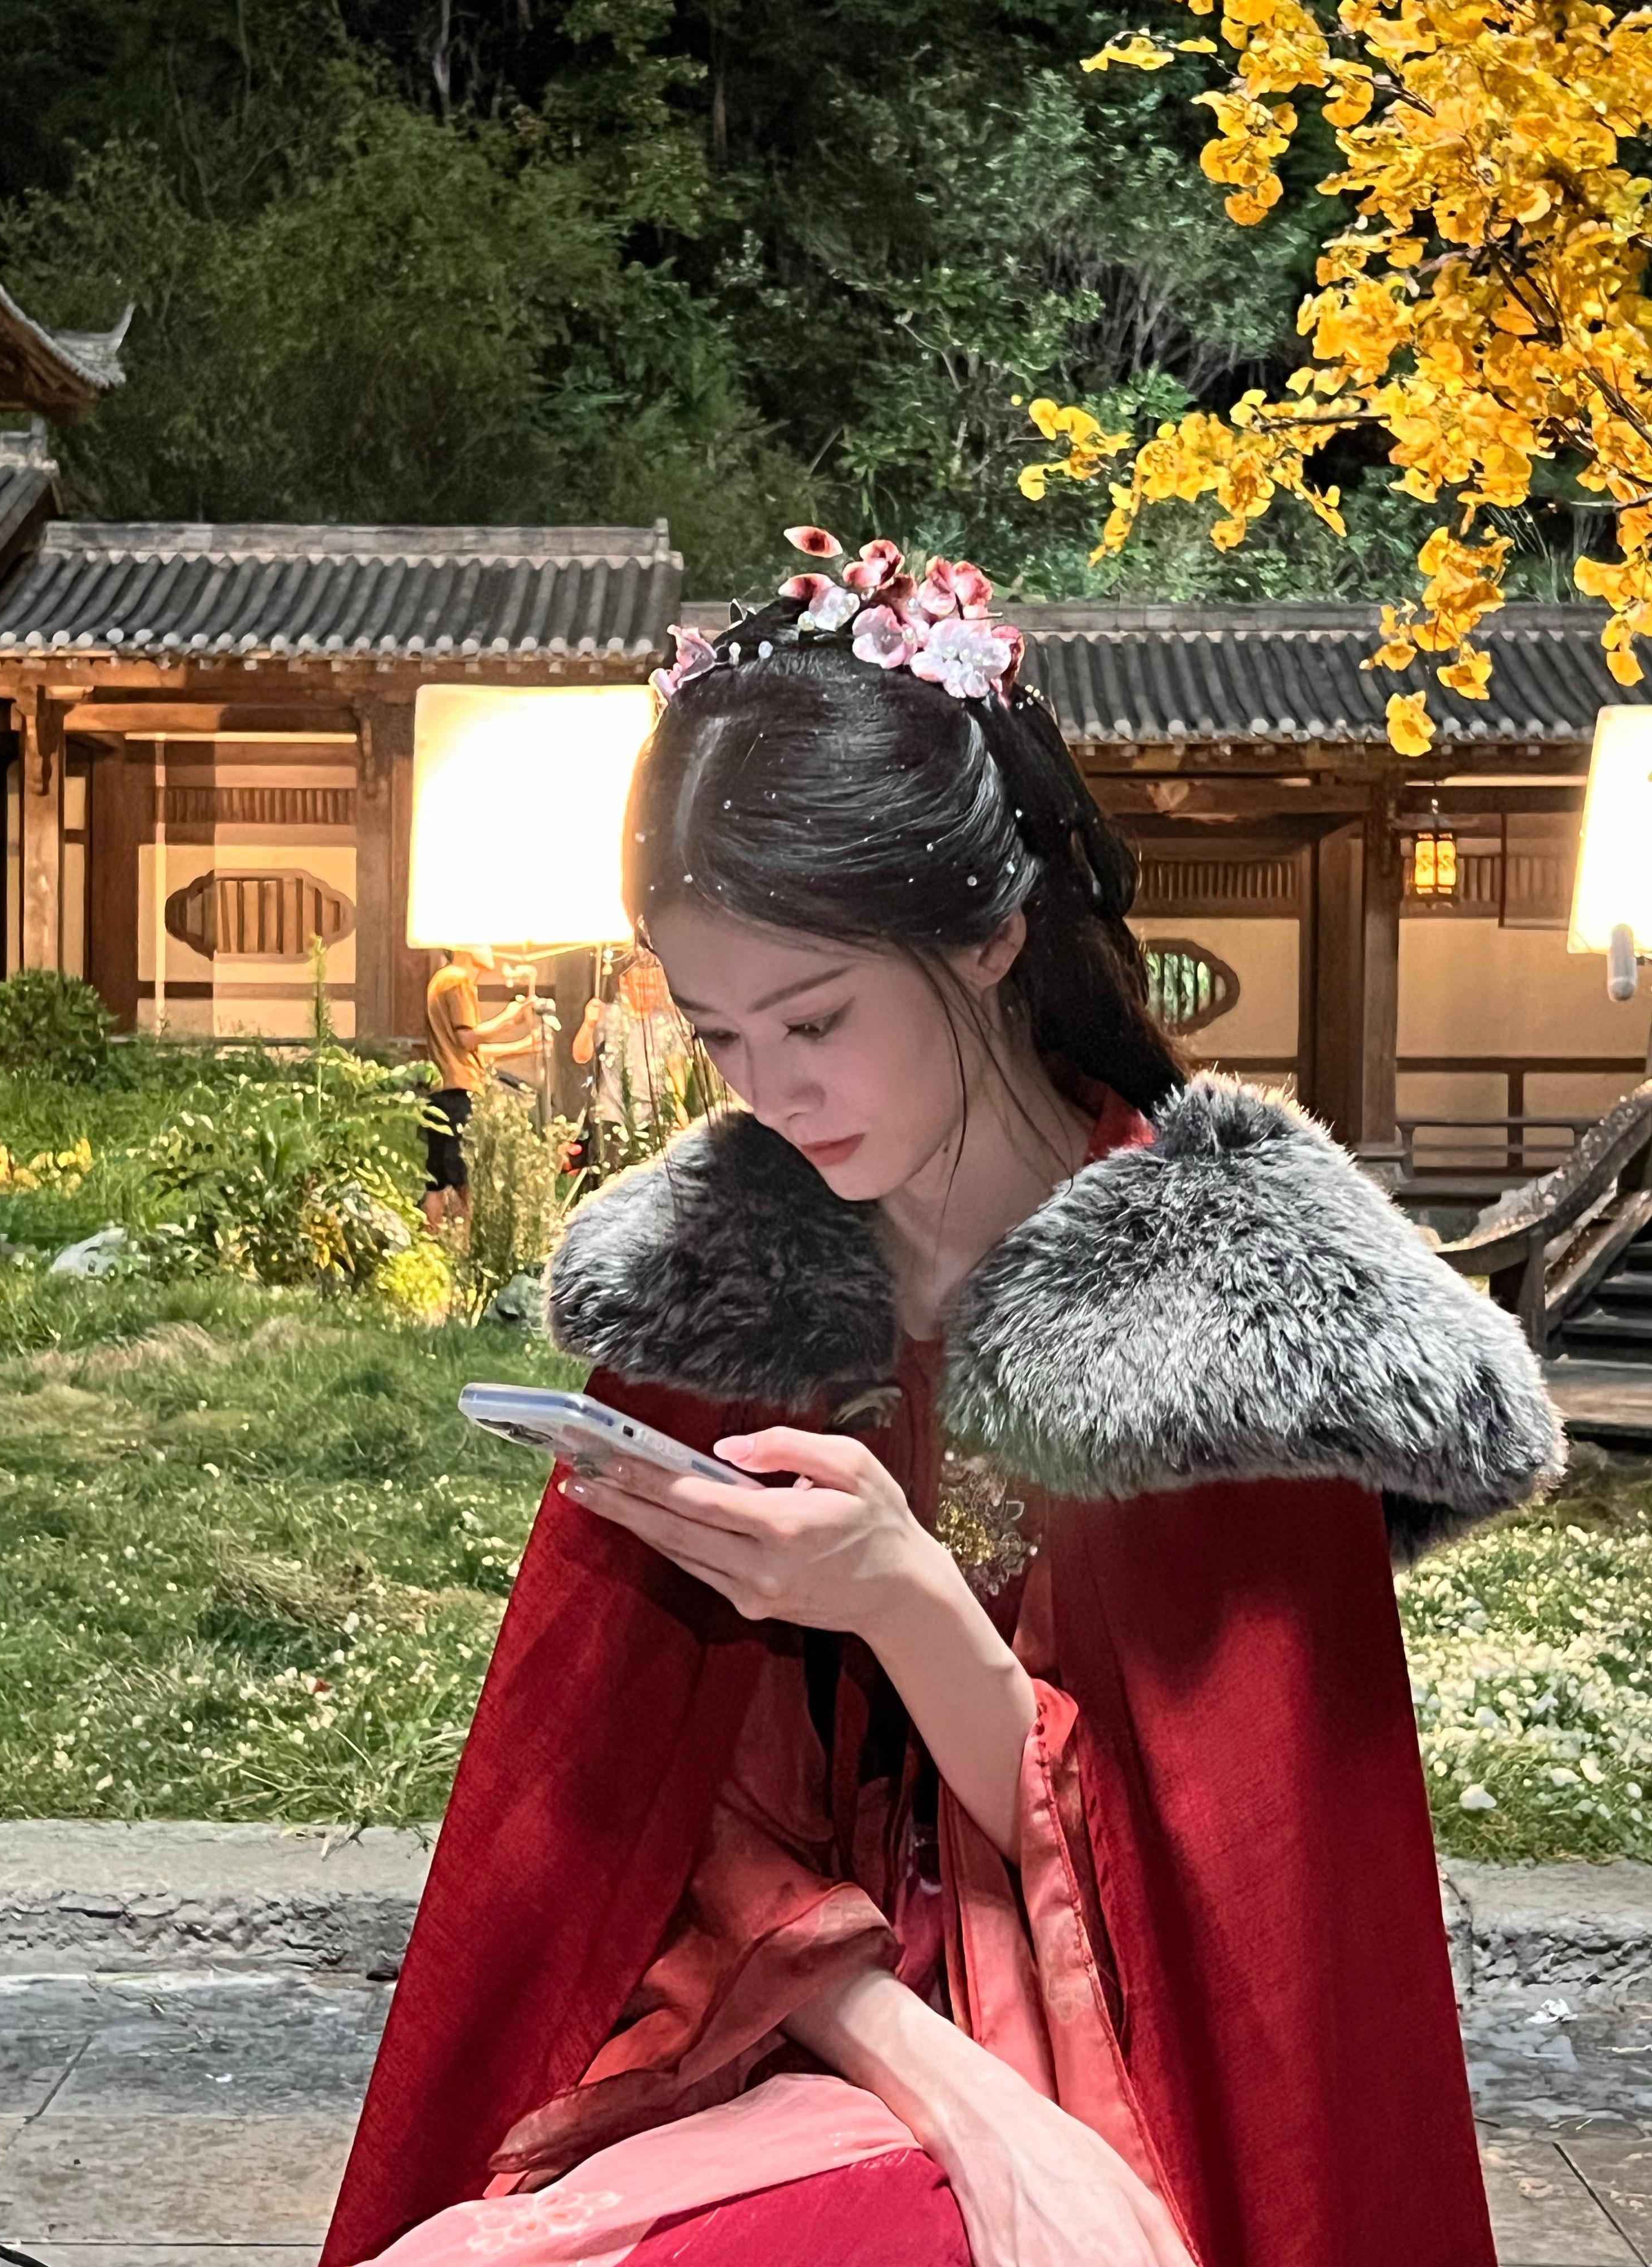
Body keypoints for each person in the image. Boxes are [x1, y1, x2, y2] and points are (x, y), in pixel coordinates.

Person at [327, 533, 1563, 2267]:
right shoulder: (730, 1288)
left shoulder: (1224, 1320)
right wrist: (952, 2092)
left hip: (1127, 2071)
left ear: (990, 934)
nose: (773, 1091)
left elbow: (1229, 1924)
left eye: (817, 1017)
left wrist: (900, 1598)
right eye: (721, 1035)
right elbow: (657, 1828)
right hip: (797, 2029)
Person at [422, 946, 540, 1231]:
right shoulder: (458, 978)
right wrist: (507, 1019)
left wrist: (521, 1046)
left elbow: (467, 1050)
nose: (491, 949)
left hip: (444, 1091)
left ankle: (431, 1243)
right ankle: (468, 1246)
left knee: (437, 1181)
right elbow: (467, 1038)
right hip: (457, 1094)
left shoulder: (446, 978)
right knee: (466, 1180)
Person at [571, 949, 696, 1149]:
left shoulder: (666, 1022)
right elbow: (581, 1056)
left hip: (655, 1118)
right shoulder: (608, 1016)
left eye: (652, 987)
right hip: (612, 1117)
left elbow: (675, 1067)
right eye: (641, 986)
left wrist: (680, 1104)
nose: (648, 993)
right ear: (624, 983)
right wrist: (588, 1024)